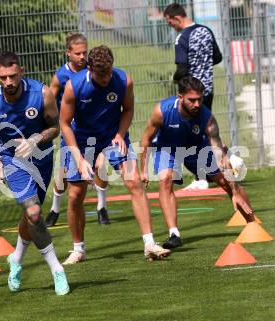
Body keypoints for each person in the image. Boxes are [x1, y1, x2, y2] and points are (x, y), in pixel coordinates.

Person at [60, 45, 171, 264]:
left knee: (135, 183)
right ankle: (78, 249)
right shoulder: (74, 87)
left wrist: (121, 134)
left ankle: (149, 244)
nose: (106, 78)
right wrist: (79, 159)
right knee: (75, 196)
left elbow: (128, 109)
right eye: (101, 74)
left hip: (113, 137)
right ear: (90, 69)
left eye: (109, 72)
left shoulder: (123, 81)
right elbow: (64, 124)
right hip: (81, 141)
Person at [0, 51, 69, 295]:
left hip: (41, 158)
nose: (9, 82)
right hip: (11, 160)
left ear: (21, 71)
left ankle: (16, 259)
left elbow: (55, 127)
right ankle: (57, 270)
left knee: (32, 217)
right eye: (3, 78)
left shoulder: (41, 94)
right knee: (33, 212)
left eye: (12, 76)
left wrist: (36, 138)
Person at [140, 76, 255, 249]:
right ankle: (174, 234)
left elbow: (221, 157)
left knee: (226, 182)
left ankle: (252, 223)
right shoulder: (162, 111)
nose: (196, 104)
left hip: (196, 148)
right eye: (192, 100)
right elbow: (146, 139)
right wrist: (143, 170)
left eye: (199, 99)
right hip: (167, 148)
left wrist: (234, 189)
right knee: (165, 179)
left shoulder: (207, 118)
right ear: (180, 97)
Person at [164, 3, 246, 190]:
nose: (172, 27)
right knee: (206, 130)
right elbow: (217, 57)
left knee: (193, 134)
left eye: (170, 23)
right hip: (207, 90)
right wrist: (203, 62)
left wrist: (175, 78)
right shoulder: (205, 31)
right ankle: (231, 160)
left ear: (176, 18)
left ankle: (201, 177)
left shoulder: (182, 38)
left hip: (191, 93)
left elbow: (183, 67)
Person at [45, 33, 111, 227]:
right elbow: (49, 100)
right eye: (78, 53)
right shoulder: (61, 76)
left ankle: (102, 208)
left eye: (85, 52)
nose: (82, 57)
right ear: (68, 53)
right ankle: (55, 209)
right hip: (71, 130)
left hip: (96, 129)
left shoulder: (95, 72)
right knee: (63, 171)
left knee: (101, 166)